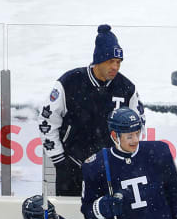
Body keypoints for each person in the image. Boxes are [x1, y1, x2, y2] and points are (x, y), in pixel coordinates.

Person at [40, 24, 144, 196]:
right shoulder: (69, 82)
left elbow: (139, 125)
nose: (115, 67)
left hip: (112, 166)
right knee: (69, 218)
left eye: (118, 62)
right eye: (110, 61)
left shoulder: (127, 88)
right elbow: (47, 121)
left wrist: (126, 157)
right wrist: (60, 160)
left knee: (111, 218)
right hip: (72, 165)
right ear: (98, 60)